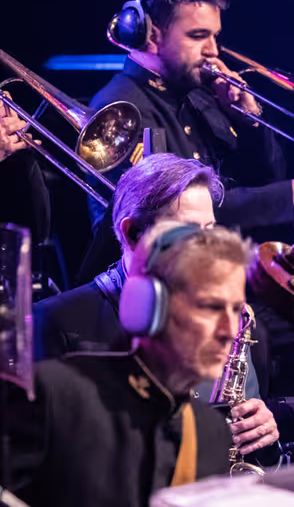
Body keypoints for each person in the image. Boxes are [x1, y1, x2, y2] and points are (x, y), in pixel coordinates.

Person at [79, 0, 294, 282]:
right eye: (197, 36)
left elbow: (268, 176)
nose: (214, 51)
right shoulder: (118, 109)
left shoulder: (203, 95)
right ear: (150, 35)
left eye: (214, 35)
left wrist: (248, 118)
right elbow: (176, 211)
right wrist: (293, 192)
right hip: (154, 285)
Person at [31, 152, 280, 458]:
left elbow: (251, 409)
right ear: (133, 233)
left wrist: (264, 422)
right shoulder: (57, 322)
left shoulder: (235, 317)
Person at [2, 222, 252, 507]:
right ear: (148, 306)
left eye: (235, 310)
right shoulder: (55, 396)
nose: (229, 330)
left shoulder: (213, 433)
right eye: (211, 307)